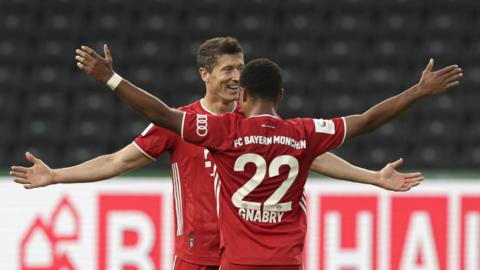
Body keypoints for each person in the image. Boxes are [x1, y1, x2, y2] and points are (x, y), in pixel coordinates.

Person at [11, 38, 427, 269]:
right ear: (204, 74)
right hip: (195, 255)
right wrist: (57, 175)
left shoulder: (258, 128)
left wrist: (371, 176)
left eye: (240, 69)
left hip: (242, 258)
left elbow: (314, 159)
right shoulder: (181, 124)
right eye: (227, 69)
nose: (235, 76)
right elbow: (118, 161)